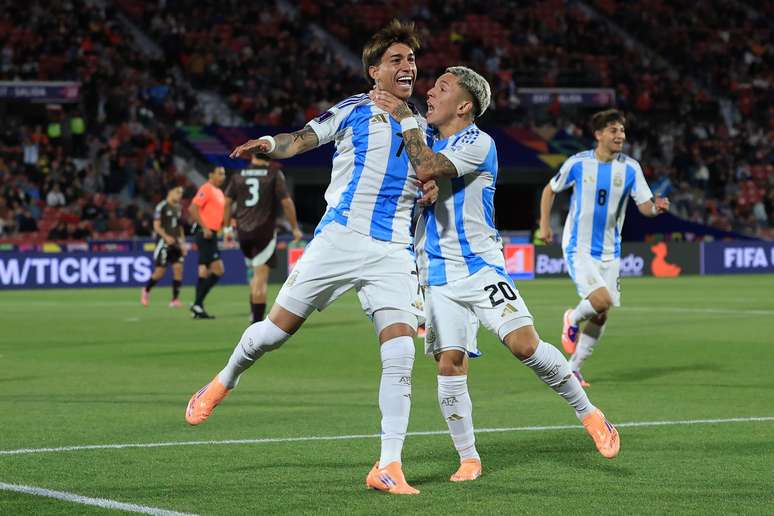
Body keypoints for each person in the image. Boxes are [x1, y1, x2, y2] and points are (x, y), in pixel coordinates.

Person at [184, 20, 438, 495]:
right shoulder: (353, 110)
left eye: (411, 60)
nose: (409, 67)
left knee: (401, 350)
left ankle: (388, 464)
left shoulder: (421, 125)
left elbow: (428, 174)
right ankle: (224, 379)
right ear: (373, 70)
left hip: (392, 250)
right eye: (397, 60)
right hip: (339, 239)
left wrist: (429, 186)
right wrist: (268, 144)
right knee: (273, 335)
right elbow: (301, 138)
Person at [371, 66, 620, 483]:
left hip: (481, 266)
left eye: (442, 89)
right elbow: (411, 177)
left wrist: (405, 118)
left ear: (464, 106)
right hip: (437, 274)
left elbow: (429, 165)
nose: (430, 93)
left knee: (524, 345)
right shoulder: (426, 139)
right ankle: (469, 457)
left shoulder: (477, 141)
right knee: (449, 363)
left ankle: (590, 414)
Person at [539, 109, 670, 386]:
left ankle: (573, 367)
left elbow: (644, 206)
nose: (620, 135)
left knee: (602, 312)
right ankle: (571, 318)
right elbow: (550, 190)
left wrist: (656, 208)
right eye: (613, 130)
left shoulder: (630, 168)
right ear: (598, 135)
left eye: (622, 130)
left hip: (611, 251)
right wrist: (545, 225)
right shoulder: (578, 163)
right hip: (579, 246)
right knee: (601, 300)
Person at [223, 154, 303, 323]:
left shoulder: (239, 174)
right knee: (260, 278)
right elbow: (287, 202)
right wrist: (295, 228)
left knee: (254, 276)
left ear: (252, 155)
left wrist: (227, 228)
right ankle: (257, 325)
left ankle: (254, 315)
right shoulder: (273, 173)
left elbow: (227, 201)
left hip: (243, 232)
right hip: (263, 232)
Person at [189, 166, 227, 319]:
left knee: (204, 270)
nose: (222, 176)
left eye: (224, 174)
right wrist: (204, 227)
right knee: (218, 270)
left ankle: (198, 306)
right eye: (219, 173)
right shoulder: (206, 188)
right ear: (211, 174)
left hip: (213, 234)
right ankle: (197, 304)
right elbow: (192, 208)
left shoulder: (219, 192)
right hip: (205, 234)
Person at [141, 185, 187, 308]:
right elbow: (156, 226)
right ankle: (146, 290)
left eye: (181, 193)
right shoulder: (161, 206)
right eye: (177, 192)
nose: (180, 195)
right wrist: (166, 237)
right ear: (170, 192)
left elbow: (180, 227)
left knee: (178, 270)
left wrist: (182, 242)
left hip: (176, 243)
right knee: (159, 272)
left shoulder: (178, 207)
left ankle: (175, 299)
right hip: (163, 243)